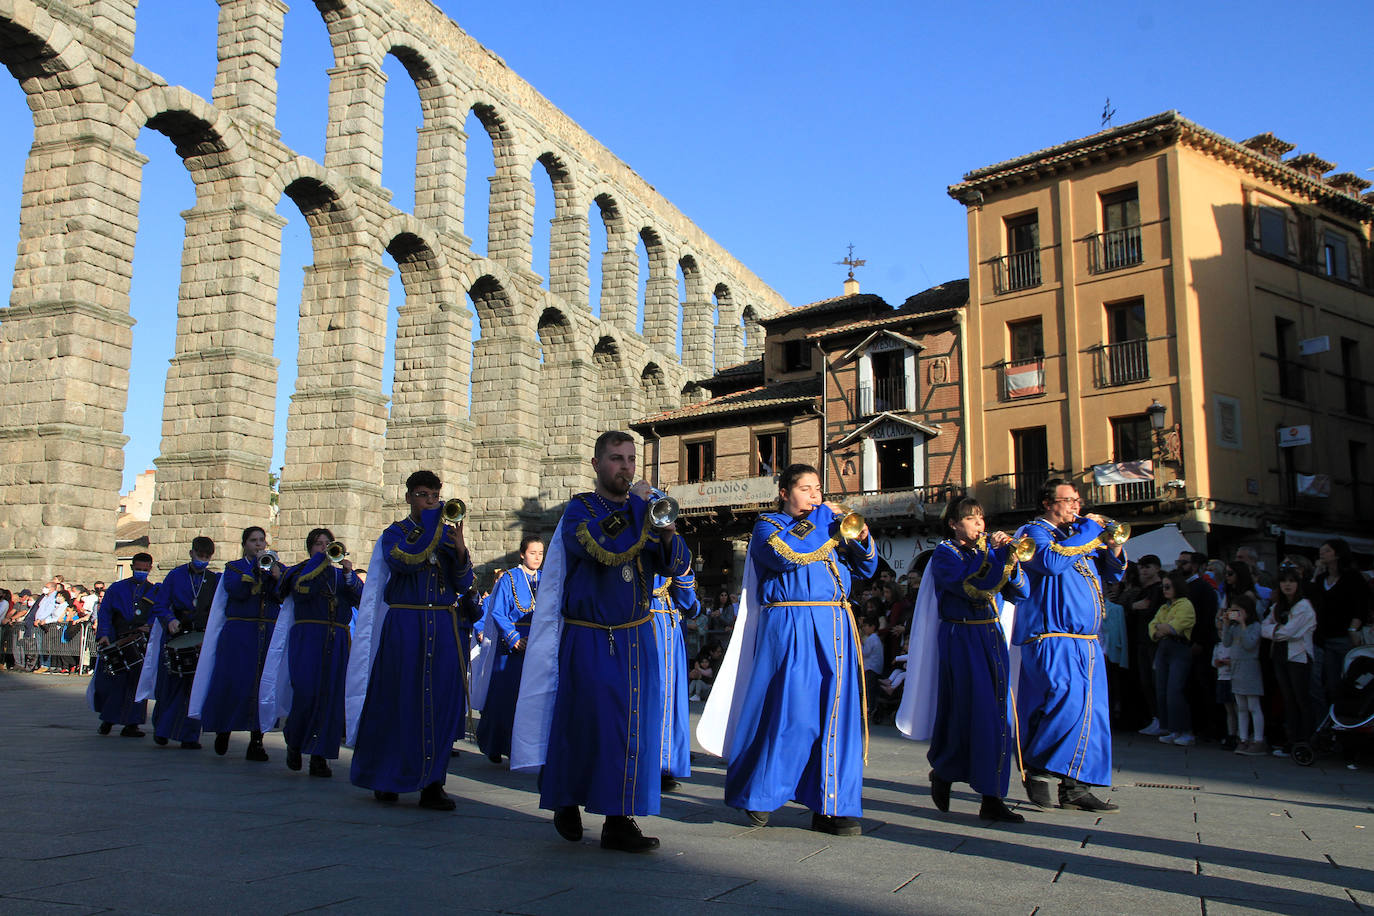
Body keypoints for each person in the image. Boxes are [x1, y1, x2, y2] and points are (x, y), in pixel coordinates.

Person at [512, 431, 693, 853]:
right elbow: (599, 546)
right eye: (616, 459)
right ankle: (566, 799)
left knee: (631, 729)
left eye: (631, 459)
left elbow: (675, 566)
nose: (626, 467)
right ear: (597, 465)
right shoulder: (580, 510)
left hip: (636, 636)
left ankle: (619, 819)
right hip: (590, 636)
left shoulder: (644, 511)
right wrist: (638, 509)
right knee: (583, 722)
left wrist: (665, 530)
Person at [703, 462, 878, 837]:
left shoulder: (830, 530)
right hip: (791, 623)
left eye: (818, 489)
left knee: (837, 718)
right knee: (789, 713)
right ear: (784, 493)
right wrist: (825, 525)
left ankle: (832, 804)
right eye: (806, 489)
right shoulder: (770, 525)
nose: (815, 497)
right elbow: (784, 553)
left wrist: (860, 537)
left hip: (835, 625)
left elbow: (866, 570)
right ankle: (760, 794)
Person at [346, 470, 476, 811]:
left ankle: (433, 782)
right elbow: (402, 562)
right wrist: (433, 530)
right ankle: (385, 776)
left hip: (443, 623)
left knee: (440, 702)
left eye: (434, 496)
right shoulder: (395, 533)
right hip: (406, 622)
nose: (430, 501)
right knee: (397, 698)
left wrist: (459, 547)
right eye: (422, 495)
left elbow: (463, 583)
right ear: (408, 498)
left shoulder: (447, 536)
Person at [1013, 478, 1124, 812]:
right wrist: (1090, 530)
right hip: (1052, 635)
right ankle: (1038, 765)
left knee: (1093, 714)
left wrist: (1114, 549)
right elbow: (1050, 563)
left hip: (1087, 641)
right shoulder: (1034, 532)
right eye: (1070, 500)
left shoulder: (1076, 536)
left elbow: (1113, 574)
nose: (1077, 506)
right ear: (1048, 503)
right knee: (1067, 703)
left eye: (1078, 500)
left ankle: (1076, 786)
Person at [921, 495, 1030, 823]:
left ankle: (992, 797)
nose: (980, 524)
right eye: (971, 518)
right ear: (954, 524)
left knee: (997, 714)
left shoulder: (989, 552)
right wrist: (998, 556)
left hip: (991, 635)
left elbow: (1020, 593)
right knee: (969, 710)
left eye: (982, 518)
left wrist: (1012, 558)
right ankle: (945, 769)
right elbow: (974, 587)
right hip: (962, 636)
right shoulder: (945, 554)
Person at [264, 528, 362, 777]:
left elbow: (361, 598)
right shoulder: (300, 571)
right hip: (309, 636)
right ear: (310, 548)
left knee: (330, 697)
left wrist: (350, 575)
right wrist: (319, 562)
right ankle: (295, 742)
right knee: (306, 692)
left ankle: (320, 756)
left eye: (328, 544)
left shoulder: (341, 576)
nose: (324, 548)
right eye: (319, 544)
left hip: (337, 637)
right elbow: (299, 591)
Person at [190, 526, 281, 761]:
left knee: (261, 684)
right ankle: (224, 729)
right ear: (245, 544)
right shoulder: (233, 568)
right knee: (232, 681)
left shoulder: (275, 566)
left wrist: (276, 574)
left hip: (266, 631)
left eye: (262, 540)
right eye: (254, 541)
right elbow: (238, 591)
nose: (259, 545)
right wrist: (256, 567)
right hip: (240, 632)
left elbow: (282, 594)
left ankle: (257, 741)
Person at [145, 536, 219, 749]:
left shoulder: (213, 580)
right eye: (199, 556)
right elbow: (160, 605)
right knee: (171, 686)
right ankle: (163, 729)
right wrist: (170, 620)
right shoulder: (175, 576)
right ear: (191, 553)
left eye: (206, 557)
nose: (202, 560)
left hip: (199, 638)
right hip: (176, 635)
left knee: (195, 688)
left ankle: (189, 735)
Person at [475, 535, 543, 765]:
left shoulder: (545, 580)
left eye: (540, 553)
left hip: (536, 644)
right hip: (511, 647)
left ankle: (523, 747)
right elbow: (498, 611)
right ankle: (496, 744)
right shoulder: (510, 579)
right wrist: (513, 638)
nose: (537, 558)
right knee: (505, 697)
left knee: (531, 698)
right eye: (532, 553)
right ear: (522, 554)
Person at [92, 554, 158, 737]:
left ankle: (132, 724)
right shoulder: (117, 588)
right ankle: (108, 720)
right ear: (132, 567)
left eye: (145, 570)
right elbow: (105, 612)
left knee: (137, 684)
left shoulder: (153, 591)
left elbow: (157, 612)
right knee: (113, 683)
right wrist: (104, 634)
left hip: (139, 641)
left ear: (150, 569)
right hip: (117, 639)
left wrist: (150, 625)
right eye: (139, 569)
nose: (142, 572)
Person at [652, 566, 702, 793]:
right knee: (656, 697)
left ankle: (667, 764)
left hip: (673, 629)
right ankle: (650, 763)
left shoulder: (677, 549)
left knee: (672, 700)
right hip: (652, 627)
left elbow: (690, 604)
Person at [1261, 567, 1317, 756]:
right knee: (1288, 700)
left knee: (1301, 699)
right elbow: (1264, 627)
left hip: (1298, 657)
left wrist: (1274, 631)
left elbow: (1289, 632)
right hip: (1279, 656)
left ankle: (1306, 741)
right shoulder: (1278, 606)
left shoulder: (1304, 606)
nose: (1287, 584)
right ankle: (1292, 740)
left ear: (1298, 584)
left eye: (1291, 581)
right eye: (1284, 581)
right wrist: (1276, 630)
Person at [1311, 538, 1368, 708]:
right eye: (1321, 550)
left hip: (1345, 637)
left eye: (1327, 550)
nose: (1323, 553)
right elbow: (1313, 602)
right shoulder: (1321, 579)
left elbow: (1361, 605)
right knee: (1331, 682)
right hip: (1325, 638)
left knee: (1348, 679)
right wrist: (1316, 573)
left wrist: (1353, 628)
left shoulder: (1352, 577)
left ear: (1338, 554)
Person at [1149, 570, 1196, 747]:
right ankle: (1170, 727)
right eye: (1163, 587)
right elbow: (1152, 626)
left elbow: (1176, 626)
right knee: (1162, 689)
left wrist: (1162, 628)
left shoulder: (1185, 605)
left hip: (1179, 647)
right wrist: (1159, 630)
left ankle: (1184, 730)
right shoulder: (1165, 607)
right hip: (1164, 647)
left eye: (1168, 586)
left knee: (1175, 689)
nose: (1165, 590)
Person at [1223, 595, 1266, 756]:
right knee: (1240, 706)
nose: (1235, 614)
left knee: (1253, 706)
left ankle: (1259, 740)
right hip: (1236, 668)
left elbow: (1249, 644)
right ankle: (1243, 738)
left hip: (1250, 667)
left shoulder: (1254, 626)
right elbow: (1226, 642)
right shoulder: (1233, 628)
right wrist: (1227, 624)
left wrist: (1242, 624)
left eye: (1238, 611)